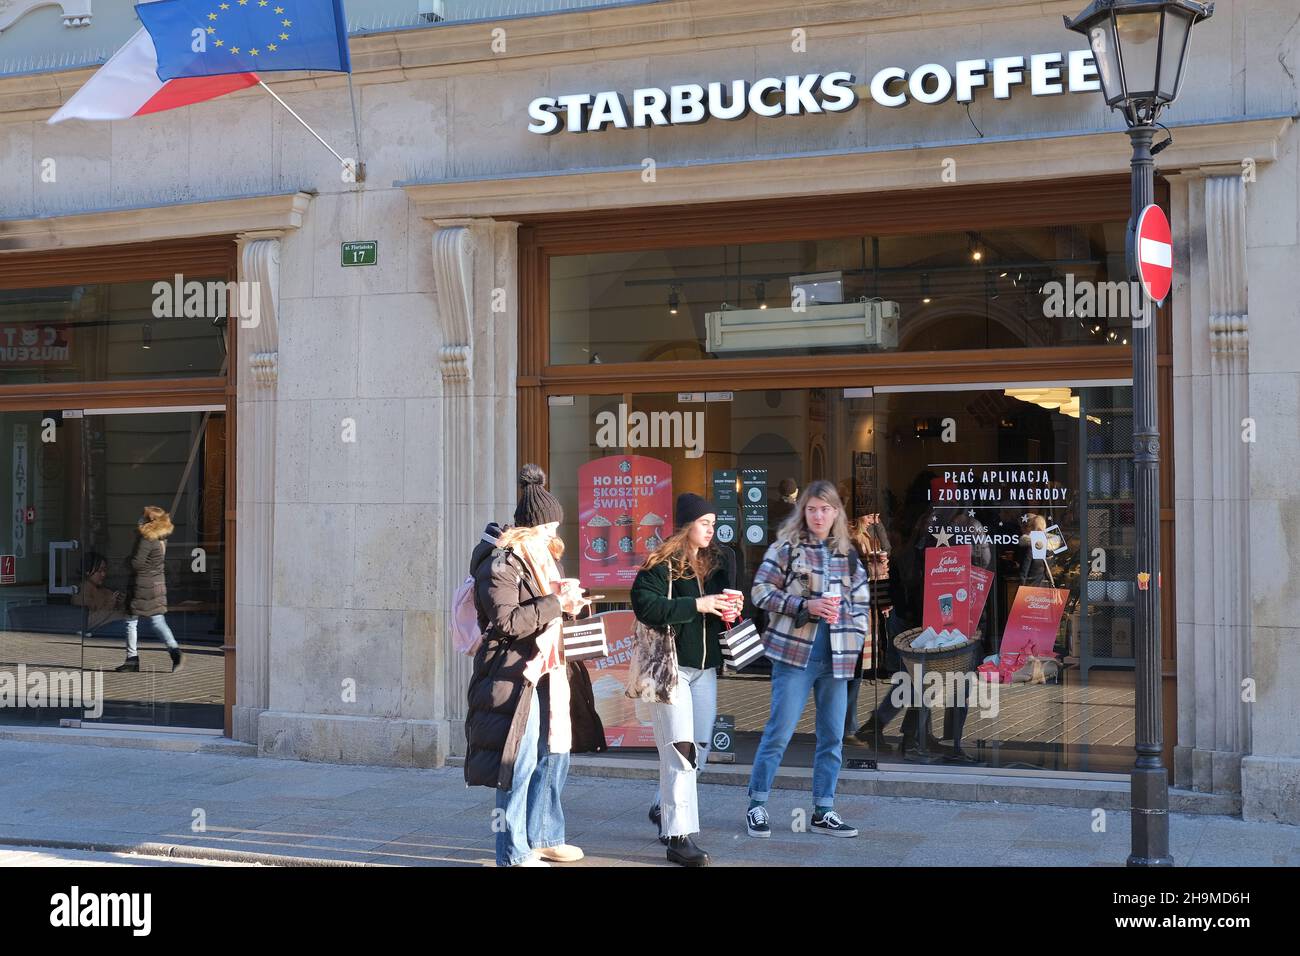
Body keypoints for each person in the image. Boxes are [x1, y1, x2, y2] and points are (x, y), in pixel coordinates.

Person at [464, 464, 599, 868]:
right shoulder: (501, 564)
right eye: (549, 528)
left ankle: (543, 837)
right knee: (517, 764)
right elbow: (507, 622)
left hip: (546, 668)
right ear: (530, 529)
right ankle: (513, 852)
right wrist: (556, 603)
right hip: (511, 672)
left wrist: (568, 603)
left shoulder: (541, 561)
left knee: (553, 753)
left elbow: (542, 611)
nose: (554, 535)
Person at [745, 480, 869, 839]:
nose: (818, 515)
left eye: (825, 509)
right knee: (779, 733)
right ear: (803, 511)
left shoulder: (847, 554)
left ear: (836, 513)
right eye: (812, 509)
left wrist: (855, 634)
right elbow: (760, 591)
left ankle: (823, 810)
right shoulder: (786, 548)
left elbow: (861, 602)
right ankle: (756, 804)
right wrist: (804, 605)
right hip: (794, 655)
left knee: (832, 737)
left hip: (837, 659)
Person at [630, 493, 738, 868]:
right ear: (687, 525)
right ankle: (678, 837)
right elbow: (644, 605)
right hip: (671, 668)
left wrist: (730, 609)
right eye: (704, 523)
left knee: (700, 749)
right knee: (680, 752)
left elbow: (719, 613)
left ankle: (664, 808)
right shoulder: (662, 564)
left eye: (713, 523)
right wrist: (696, 604)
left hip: (705, 671)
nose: (711, 530)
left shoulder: (717, 562)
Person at [845, 514, 895, 740]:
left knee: (856, 668)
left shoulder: (870, 533)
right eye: (871, 514)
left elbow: (887, 548)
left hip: (868, 606)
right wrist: (876, 566)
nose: (876, 517)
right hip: (857, 608)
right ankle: (848, 723)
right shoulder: (852, 538)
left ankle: (849, 722)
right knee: (853, 668)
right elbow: (858, 573)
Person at [117, 506, 182, 673]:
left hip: (143, 586)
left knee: (131, 621)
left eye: (143, 517)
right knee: (158, 620)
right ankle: (175, 651)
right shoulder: (162, 538)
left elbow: (137, 563)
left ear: (150, 521)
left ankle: (132, 659)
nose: (140, 519)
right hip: (158, 584)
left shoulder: (147, 539)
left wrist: (126, 561)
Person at [72, 551, 127, 636]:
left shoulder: (107, 592)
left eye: (105, 570)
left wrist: (121, 603)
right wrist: (110, 605)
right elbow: (87, 621)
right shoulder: (79, 593)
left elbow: (121, 613)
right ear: (87, 571)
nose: (103, 574)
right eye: (100, 571)